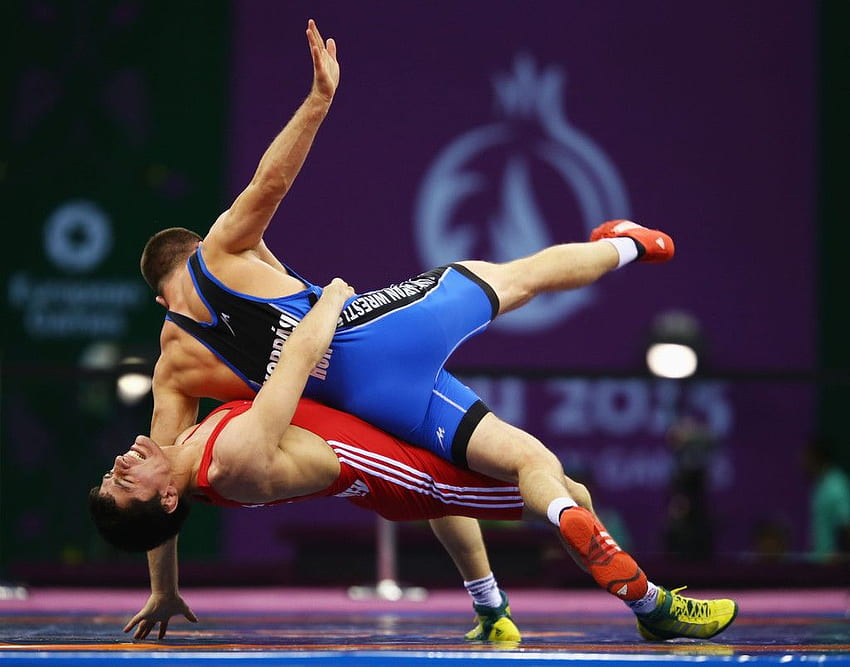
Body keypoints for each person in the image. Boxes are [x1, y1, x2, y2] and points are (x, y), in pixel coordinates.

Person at [120, 18, 737, 641]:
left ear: (156, 298)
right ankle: (628, 247)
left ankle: (506, 595)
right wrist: (318, 100)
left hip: (367, 406)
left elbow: (161, 490)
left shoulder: (173, 368)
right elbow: (271, 181)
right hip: (372, 332)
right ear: (194, 248)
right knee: (515, 279)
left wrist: (164, 588)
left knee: (473, 472)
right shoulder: (220, 251)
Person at [90, 279, 737, 643]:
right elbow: (293, 359)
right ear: (167, 498)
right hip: (400, 472)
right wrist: (332, 296)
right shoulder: (228, 458)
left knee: (522, 477)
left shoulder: (177, 445)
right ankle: (653, 605)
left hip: (381, 435)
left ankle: (490, 608)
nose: (122, 458)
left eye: (112, 468)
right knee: (555, 482)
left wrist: (164, 588)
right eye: (124, 477)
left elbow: (154, 520)